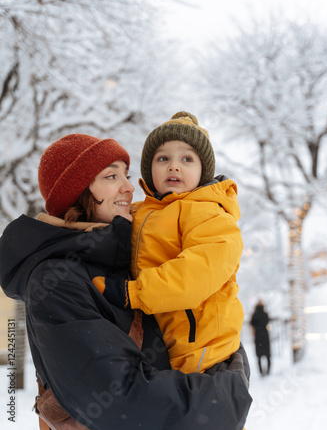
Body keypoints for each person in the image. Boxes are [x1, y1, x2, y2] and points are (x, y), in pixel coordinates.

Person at [0, 133, 252, 430]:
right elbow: (124, 400)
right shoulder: (57, 281)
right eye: (111, 176)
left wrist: (227, 356)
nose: (130, 187)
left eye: (127, 174)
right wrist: (227, 396)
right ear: (77, 191)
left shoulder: (119, 263)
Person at [94, 111, 246, 375]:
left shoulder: (211, 214)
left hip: (201, 348)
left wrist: (134, 293)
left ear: (203, 171)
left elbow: (197, 273)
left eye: (187, 159)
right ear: (149, 170)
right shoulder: (139, 212)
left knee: (185, 408)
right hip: (158, 341)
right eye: (163, 158)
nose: (174, 166)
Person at [251, 300, 271, 376]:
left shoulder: (254, 315)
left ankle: (261, 372)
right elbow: (268, 323)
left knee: (259, 356)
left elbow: (252, 325)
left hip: (258, 337)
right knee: (268, 356)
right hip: (265, 337)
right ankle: (268, 372)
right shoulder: (265, 314)